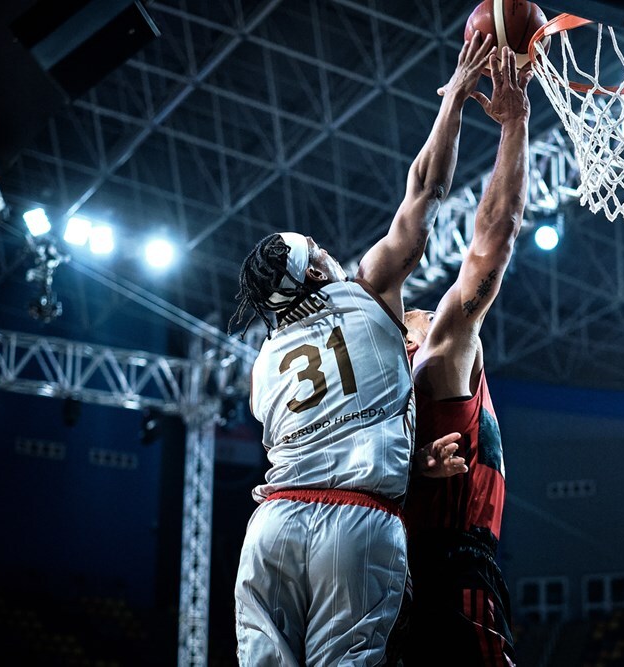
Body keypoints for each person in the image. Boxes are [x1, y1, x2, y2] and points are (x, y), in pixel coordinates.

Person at [229, 32, 496, 667]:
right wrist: (454, 97)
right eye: (319, 248)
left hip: (271, 525)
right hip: (353, 522)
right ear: (318, 268)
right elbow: (425, 190)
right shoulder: (367, 289)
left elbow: (317, 443)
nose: (329, 249)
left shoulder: (263, 364)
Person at [402, 47, 533, 667]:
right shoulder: (436, 355)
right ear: (409, 338)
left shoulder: (373, 406)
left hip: (392, 577)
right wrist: (514, 123)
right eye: (416, 313)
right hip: (448, 572)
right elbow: (494, 236)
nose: (427, 308)